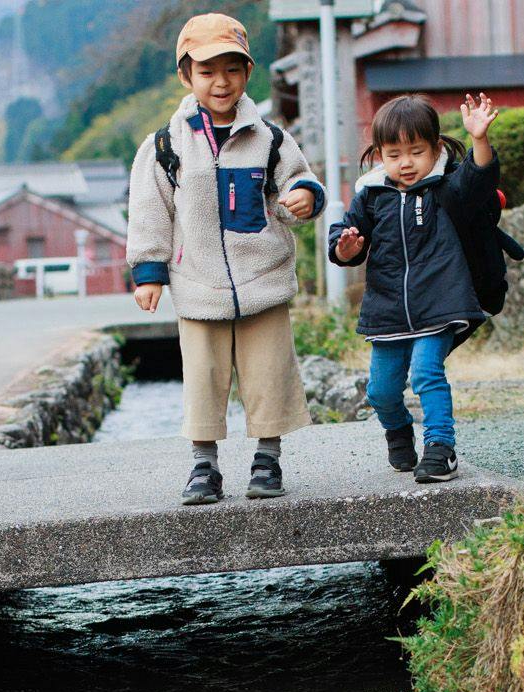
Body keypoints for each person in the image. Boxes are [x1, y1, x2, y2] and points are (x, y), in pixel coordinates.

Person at [125, 13, 325, 505]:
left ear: (247, 73)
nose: (221, 82)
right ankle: (203, 465)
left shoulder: (270, 139)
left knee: (268, 373)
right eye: (208, 70)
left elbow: (299, 182)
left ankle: (267, 458)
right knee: (203, 378)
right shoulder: (165, 146)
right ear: (186, 75)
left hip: (264, 277)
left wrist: (305, 196)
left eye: (232, 69)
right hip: (197, 283)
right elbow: (150, 213)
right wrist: (149, 273)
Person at [328, 94, 500, 485]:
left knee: (426, 374)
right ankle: (398, 430)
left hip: (441, 303)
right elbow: (346, 237)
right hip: (387, 310)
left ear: (436, 149)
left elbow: (479, 182)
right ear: (378, 155)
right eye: (393, 154)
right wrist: (345, 246)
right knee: (380, 391)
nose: (405, 163)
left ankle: (441, 448)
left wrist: (479, 140)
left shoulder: (446, 188)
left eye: (416, 152)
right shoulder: (371, 196)